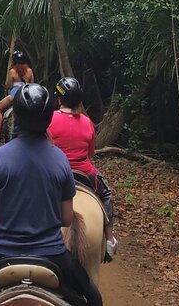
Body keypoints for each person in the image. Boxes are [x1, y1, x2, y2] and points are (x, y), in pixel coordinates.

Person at [0, 84, 102, 306]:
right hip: (53, 254)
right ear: (46, 119)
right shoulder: (60, 160)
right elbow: (66, 219)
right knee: (94, 297)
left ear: (17, 118)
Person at [47, 77, 118, 261]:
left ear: (59, 99)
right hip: (84, 170)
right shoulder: (87, 122)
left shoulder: (50, 118)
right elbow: (90, 152)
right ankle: (109, 240)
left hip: (54, 170)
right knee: (106, 194)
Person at [0, 50, 34, 142]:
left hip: (14, 96)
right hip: (27, 96)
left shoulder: (12, 71)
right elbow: (32, 84)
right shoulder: (29, 71)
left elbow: (10, 86)